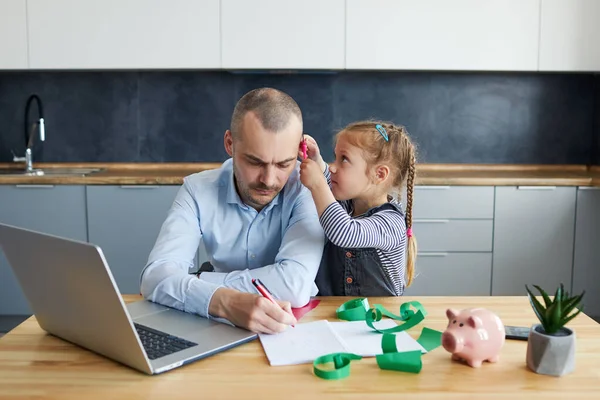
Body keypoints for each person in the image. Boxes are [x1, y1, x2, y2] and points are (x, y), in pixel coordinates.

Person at [140, 88, 325, 334]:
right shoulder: (197, 190)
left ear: (300, 152)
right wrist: (225, 303)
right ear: (230, 143)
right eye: (255, 162)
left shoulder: (308, 189)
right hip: (217, 323)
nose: (269, 180)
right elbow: (154, 278)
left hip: (295, 328)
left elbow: (294, 286)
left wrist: (199, 284)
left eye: (284, 164)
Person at [298, 120, 418, 297]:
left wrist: (317, 185)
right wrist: (316, 159)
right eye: (335, 157)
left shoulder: (391, 223)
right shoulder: (347, 203)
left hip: (379, 317)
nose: (332, 167)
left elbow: (344, 231)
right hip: (333, 313)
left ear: (379, 174)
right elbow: (330, 184)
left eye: (344, 159)